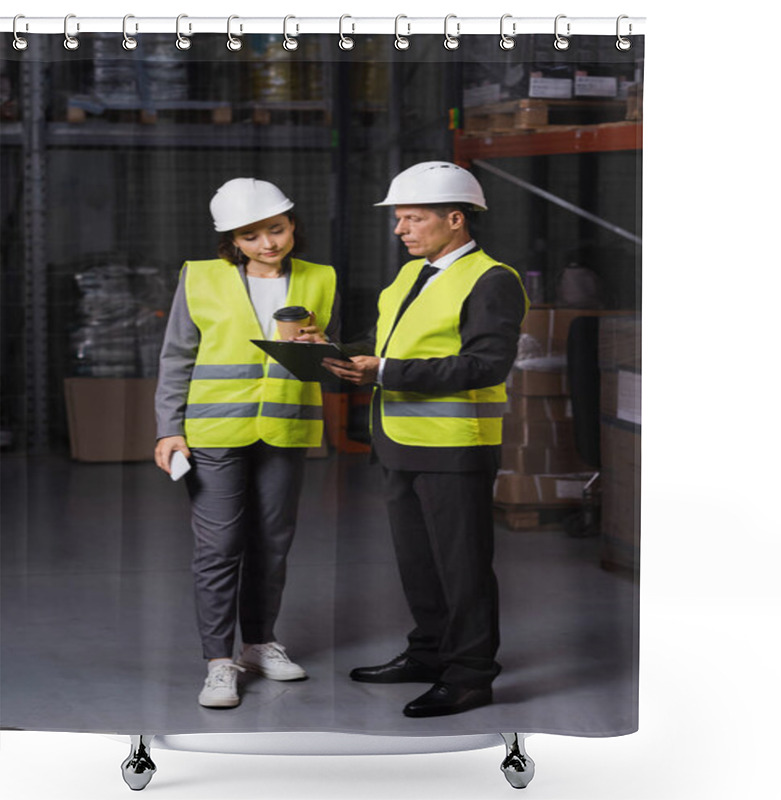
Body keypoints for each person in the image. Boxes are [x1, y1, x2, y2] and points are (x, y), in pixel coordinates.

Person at [323, 161, 528, 718]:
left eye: (413, 219)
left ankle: (469, 677)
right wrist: (335, 352)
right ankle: (429, 652)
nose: (401, 230)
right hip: (400, 441)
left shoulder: (492, 280)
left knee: (462, 567)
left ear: (455, 219)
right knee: (418, 562)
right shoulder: (411, 276)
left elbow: (484, 365)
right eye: (399, 219)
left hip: (455, 447)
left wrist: (384, 372)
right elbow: (390, 343)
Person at [154, 178, 338, 709]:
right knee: (219, 548)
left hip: (285, 429)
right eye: (251, 235)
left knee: (272, 544)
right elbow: (176, 358)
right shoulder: (200, 279)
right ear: (233, 240)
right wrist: (170, 427)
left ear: (292, 225)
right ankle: (219, 661)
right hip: (214, 433)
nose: (268, 244)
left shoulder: (320, 279)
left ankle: (259, 643)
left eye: (276, 230)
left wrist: (322, 347)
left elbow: (329, 361)